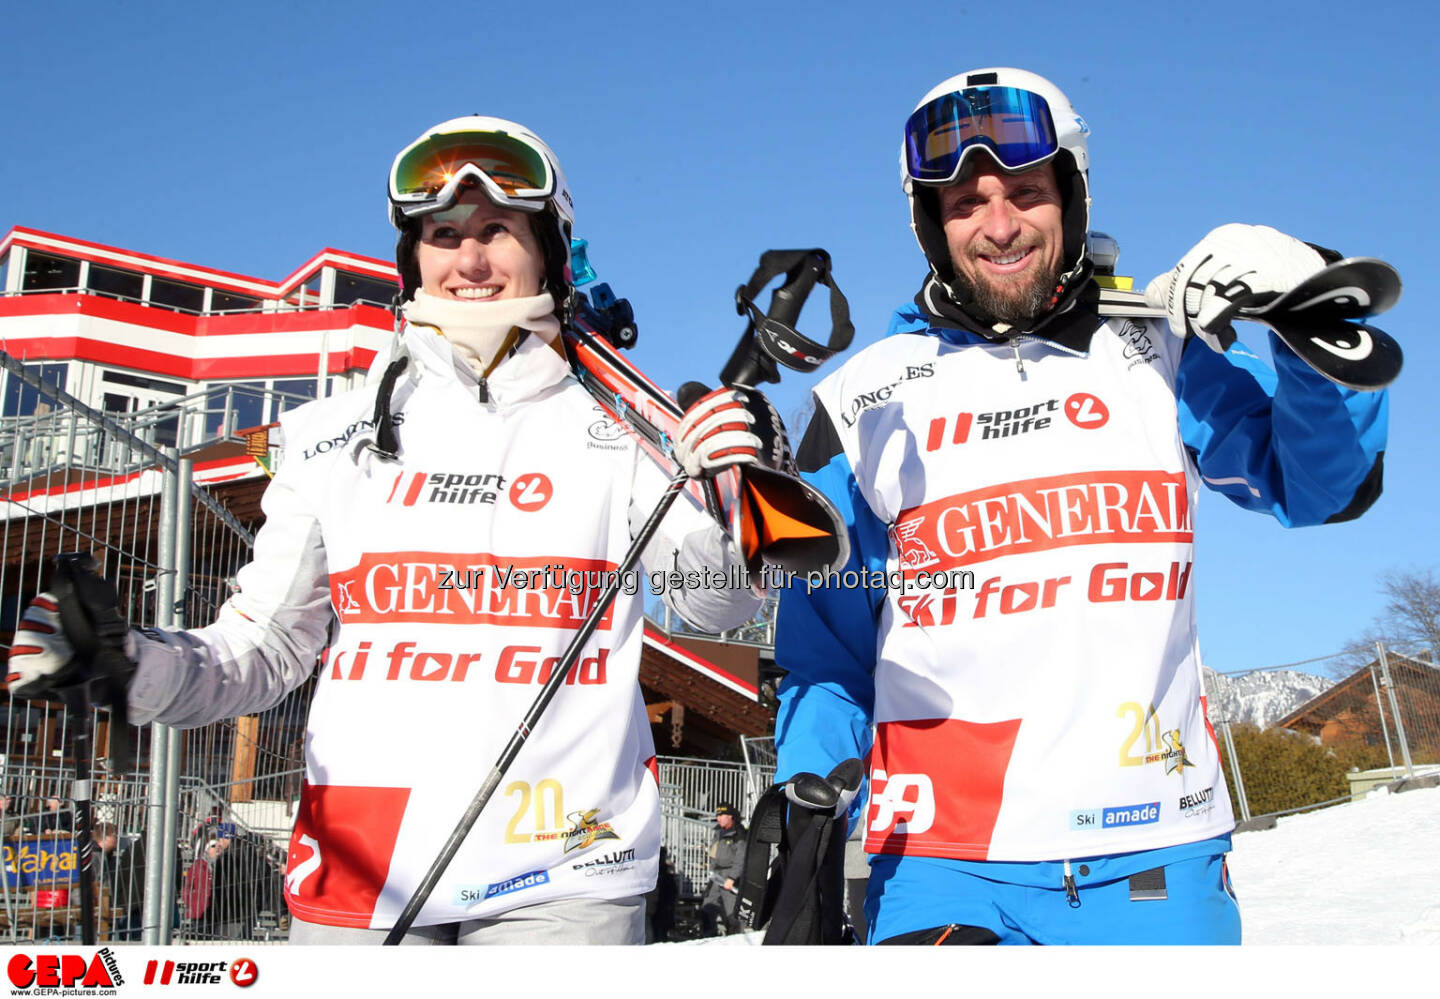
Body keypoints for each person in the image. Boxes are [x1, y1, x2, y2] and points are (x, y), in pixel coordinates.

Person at [7, 116, 796, 944]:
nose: (470, 261)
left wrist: (738, 494)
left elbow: (712, 609)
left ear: (550, 248)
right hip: (363, 857)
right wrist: (134, 664)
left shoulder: (625, 425)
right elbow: (266, 647)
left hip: (568, 863)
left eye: (497, 230)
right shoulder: (327, 431)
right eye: (443, 235)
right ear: (411, 256)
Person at [772, 68, 1390, 945]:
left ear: (1070, 193)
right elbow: (824, 651)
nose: (998, 224)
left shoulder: (1157, 344)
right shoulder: (863, 402)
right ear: (928, 222)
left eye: (1025, 191)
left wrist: (1310, 307)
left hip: (1155, 849)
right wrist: (806, 789)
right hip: (941, 863)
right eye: (964, 203)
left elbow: (1324, 483)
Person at [699, 802, 746, 936]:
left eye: (722, 815)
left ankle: (736, 940)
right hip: (717, 876)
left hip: (730, 875)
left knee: (732, 914)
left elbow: (740, 858)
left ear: (730, 816)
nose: (719, 818)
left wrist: (732, 878)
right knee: (708, 907)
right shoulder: (718, 832)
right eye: (718, 815)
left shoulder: (738, 833)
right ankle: (709, 937)